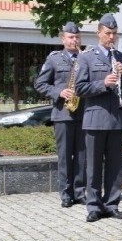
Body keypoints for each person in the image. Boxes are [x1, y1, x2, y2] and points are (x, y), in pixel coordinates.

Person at [74, 13, 122, 223]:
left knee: (115, 165)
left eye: (114, 34)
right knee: (93, 165)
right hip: (95, 118)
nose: (111, 37)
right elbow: (79, 88)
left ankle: (112, 204)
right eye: (108, 33)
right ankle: (93, 206)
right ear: (98, 33)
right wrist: (103, 84)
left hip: (117, 119)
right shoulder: (87, 57)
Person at [34, 21, 87, 209]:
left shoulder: (86, 57)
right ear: (63, 38)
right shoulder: (54, 59)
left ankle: (80, 192)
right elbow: (40, 83)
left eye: (77, 37)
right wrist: (59, 92)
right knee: (64, 156)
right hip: (63, 114)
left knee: (82, 156)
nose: (75, 40)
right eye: (71, 37)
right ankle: (65, 194)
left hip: (83, 113)